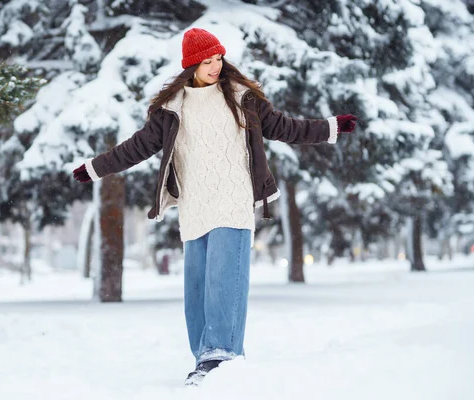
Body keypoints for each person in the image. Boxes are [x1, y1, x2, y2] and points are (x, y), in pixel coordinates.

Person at [73, 28, 357, 385]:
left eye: (219, 58)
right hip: (195, 206)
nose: (215, 66)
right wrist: (96, 167)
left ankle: (220, 355)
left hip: (234, 200)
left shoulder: (242, 98)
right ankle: (203, 357)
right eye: (207, 61)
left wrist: (329, 127)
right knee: (197, 287)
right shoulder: (171, 109)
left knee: (225, 280)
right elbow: (136, 147)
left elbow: (285, 128)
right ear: (191, 65)